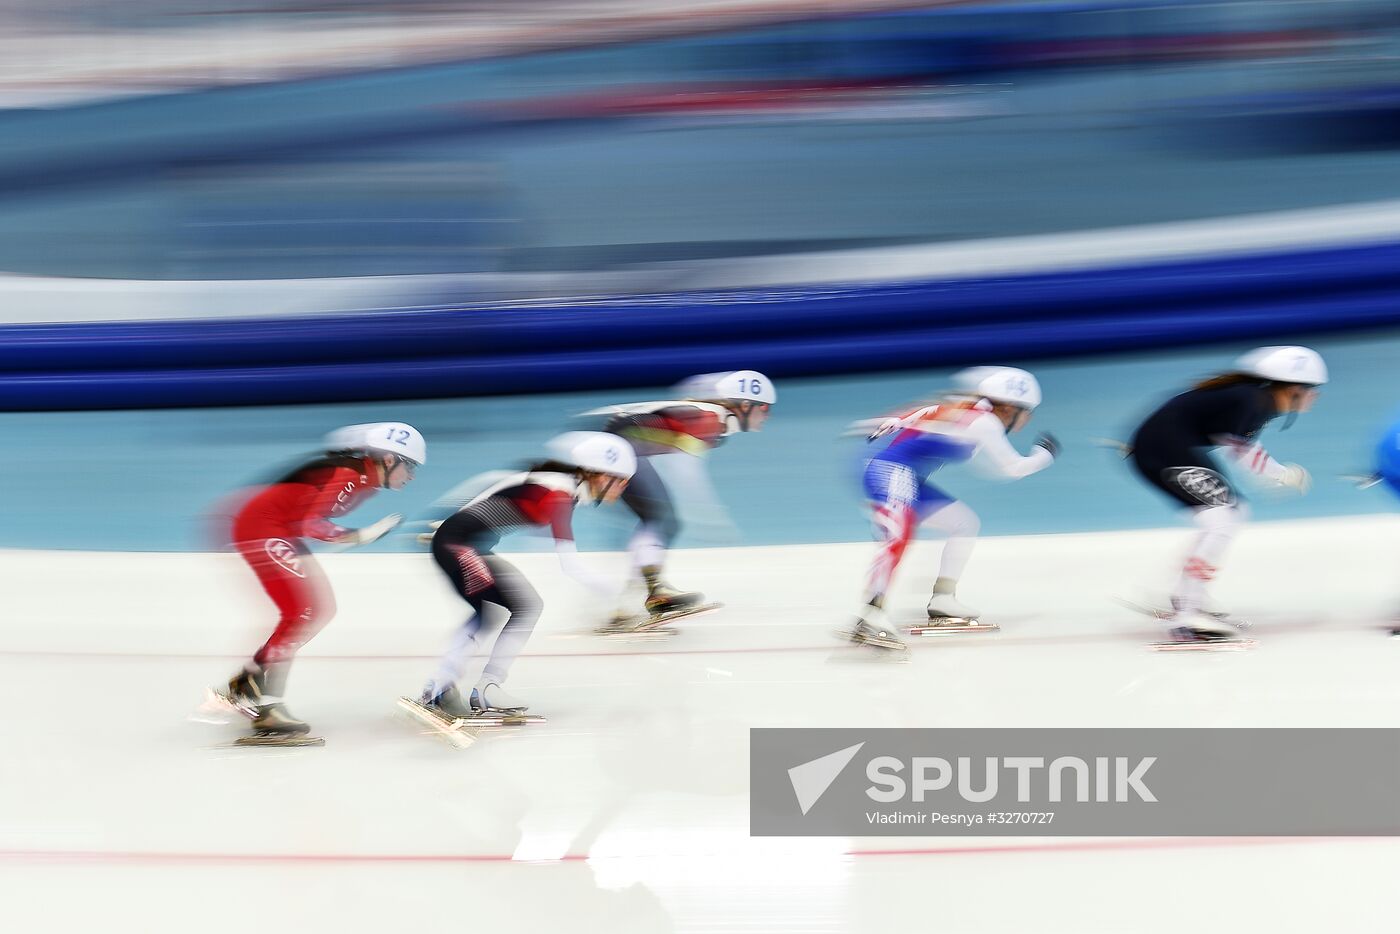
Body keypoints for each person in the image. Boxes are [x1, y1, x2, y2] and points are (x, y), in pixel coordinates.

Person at [222, 422, 424, 740]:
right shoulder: (351, 475)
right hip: (262, 527)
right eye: (409, 466)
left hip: (278, 528)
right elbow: (311, 524)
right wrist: (358, 536)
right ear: (389, 459)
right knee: (301, 612)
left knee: (320, 610)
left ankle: (248, 681)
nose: (411, 476)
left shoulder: (364, 480)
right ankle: (267, 708)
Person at [415, 431, 636, 721]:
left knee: (523, 606)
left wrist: (448, 517)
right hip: (458, 544)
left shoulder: (558, 485)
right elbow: (570, 565)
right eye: (621, 480)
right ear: (599, 475)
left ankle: (477, 687)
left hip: (463, 544)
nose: (623, 489)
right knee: (491, 612)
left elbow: (496, 482)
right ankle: (444, 688)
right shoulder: (558, 492)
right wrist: (619, 595)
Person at [847, 366, 1057, 651]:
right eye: (1027, 412)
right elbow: (1013, 468)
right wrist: (1044, 455)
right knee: (898, 537)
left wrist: (892, 422)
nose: (1027, 419)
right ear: (1010, 408)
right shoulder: (985, 422)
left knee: (963, 523)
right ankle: (871, 615)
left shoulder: (966, 409)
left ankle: (943, 599)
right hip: (891, 472)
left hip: (905, 476)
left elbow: (923, 411)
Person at [1128, 346, 1324, 644]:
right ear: (1293, 388)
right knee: (1223, 519)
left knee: (1230, 514)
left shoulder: (1253, 399)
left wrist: (1278, 473)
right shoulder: (1253, 400)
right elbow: (1241, 451)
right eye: (1311, 389)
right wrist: (1282, 474)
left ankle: (1186, 598)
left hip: (1163, 448)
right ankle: (1186, 617)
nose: (1315, 396)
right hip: (1161, 450)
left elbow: (1240, 446)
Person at [583, 369, 775, 630]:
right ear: (743, 405)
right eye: (763, 408)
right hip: (615, 449)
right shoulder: (710, 419)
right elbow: (686, 471)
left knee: (655, 523)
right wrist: (707, 517)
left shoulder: (710, 416)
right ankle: (652, 594)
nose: (767, 415)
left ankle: (623, 608)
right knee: (660, 520)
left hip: (612, 446)